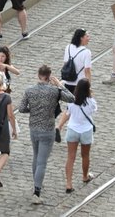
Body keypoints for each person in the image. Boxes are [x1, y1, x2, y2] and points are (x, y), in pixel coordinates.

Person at [19, 65, 74, 204]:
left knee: (36, 156)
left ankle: (36, 182)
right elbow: (72, 98)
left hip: (34, 128)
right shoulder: (55, 91)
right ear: (49, 76)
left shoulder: (29, 90)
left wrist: (33, 111)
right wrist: (60, 85)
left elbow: (21, 108)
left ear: (38, 75)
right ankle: (36, 192)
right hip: (48, 129)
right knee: (42, 162)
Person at [57, 78, 97, 192]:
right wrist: (91, 94)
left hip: (72, 129)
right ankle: (85, 176)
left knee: (70, 157)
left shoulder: (71, 101)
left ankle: (69, 184)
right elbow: (93, 110)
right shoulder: (91, 102)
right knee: (85, 155)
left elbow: (68, 113)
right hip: (86, 130)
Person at [63, 28, 94, 96]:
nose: (89, 38)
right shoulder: (86, 52)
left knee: (70, 104)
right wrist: (88, 86)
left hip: (68, 82)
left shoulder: (68, 47)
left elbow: (65, 64)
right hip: (80, 84)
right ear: (81, 38)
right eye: (87, 36)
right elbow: (87, 70)